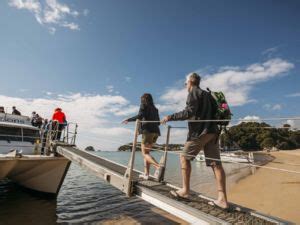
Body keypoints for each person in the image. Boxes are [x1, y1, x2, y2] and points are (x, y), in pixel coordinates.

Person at [161, 72, 229, 210]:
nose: (185, 86)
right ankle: (222, 200)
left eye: (185, 83)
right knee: (216, 165)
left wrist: (169, 117)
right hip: (214, 132)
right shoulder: (208, 95)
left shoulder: (193, 92)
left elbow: (189, 112)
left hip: (200, 133)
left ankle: (185, 191)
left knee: (184, 157)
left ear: (190, 82)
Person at [122, 93, 162, 180]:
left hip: (148, 132)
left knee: (144, 154)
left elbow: (140, 116)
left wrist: (128, 120)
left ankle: (158, 167)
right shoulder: (155, 109)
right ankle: (146, 174)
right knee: (147, 154)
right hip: (156, 132)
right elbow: (158, 122)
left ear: (143, 100)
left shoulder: (144, 105)